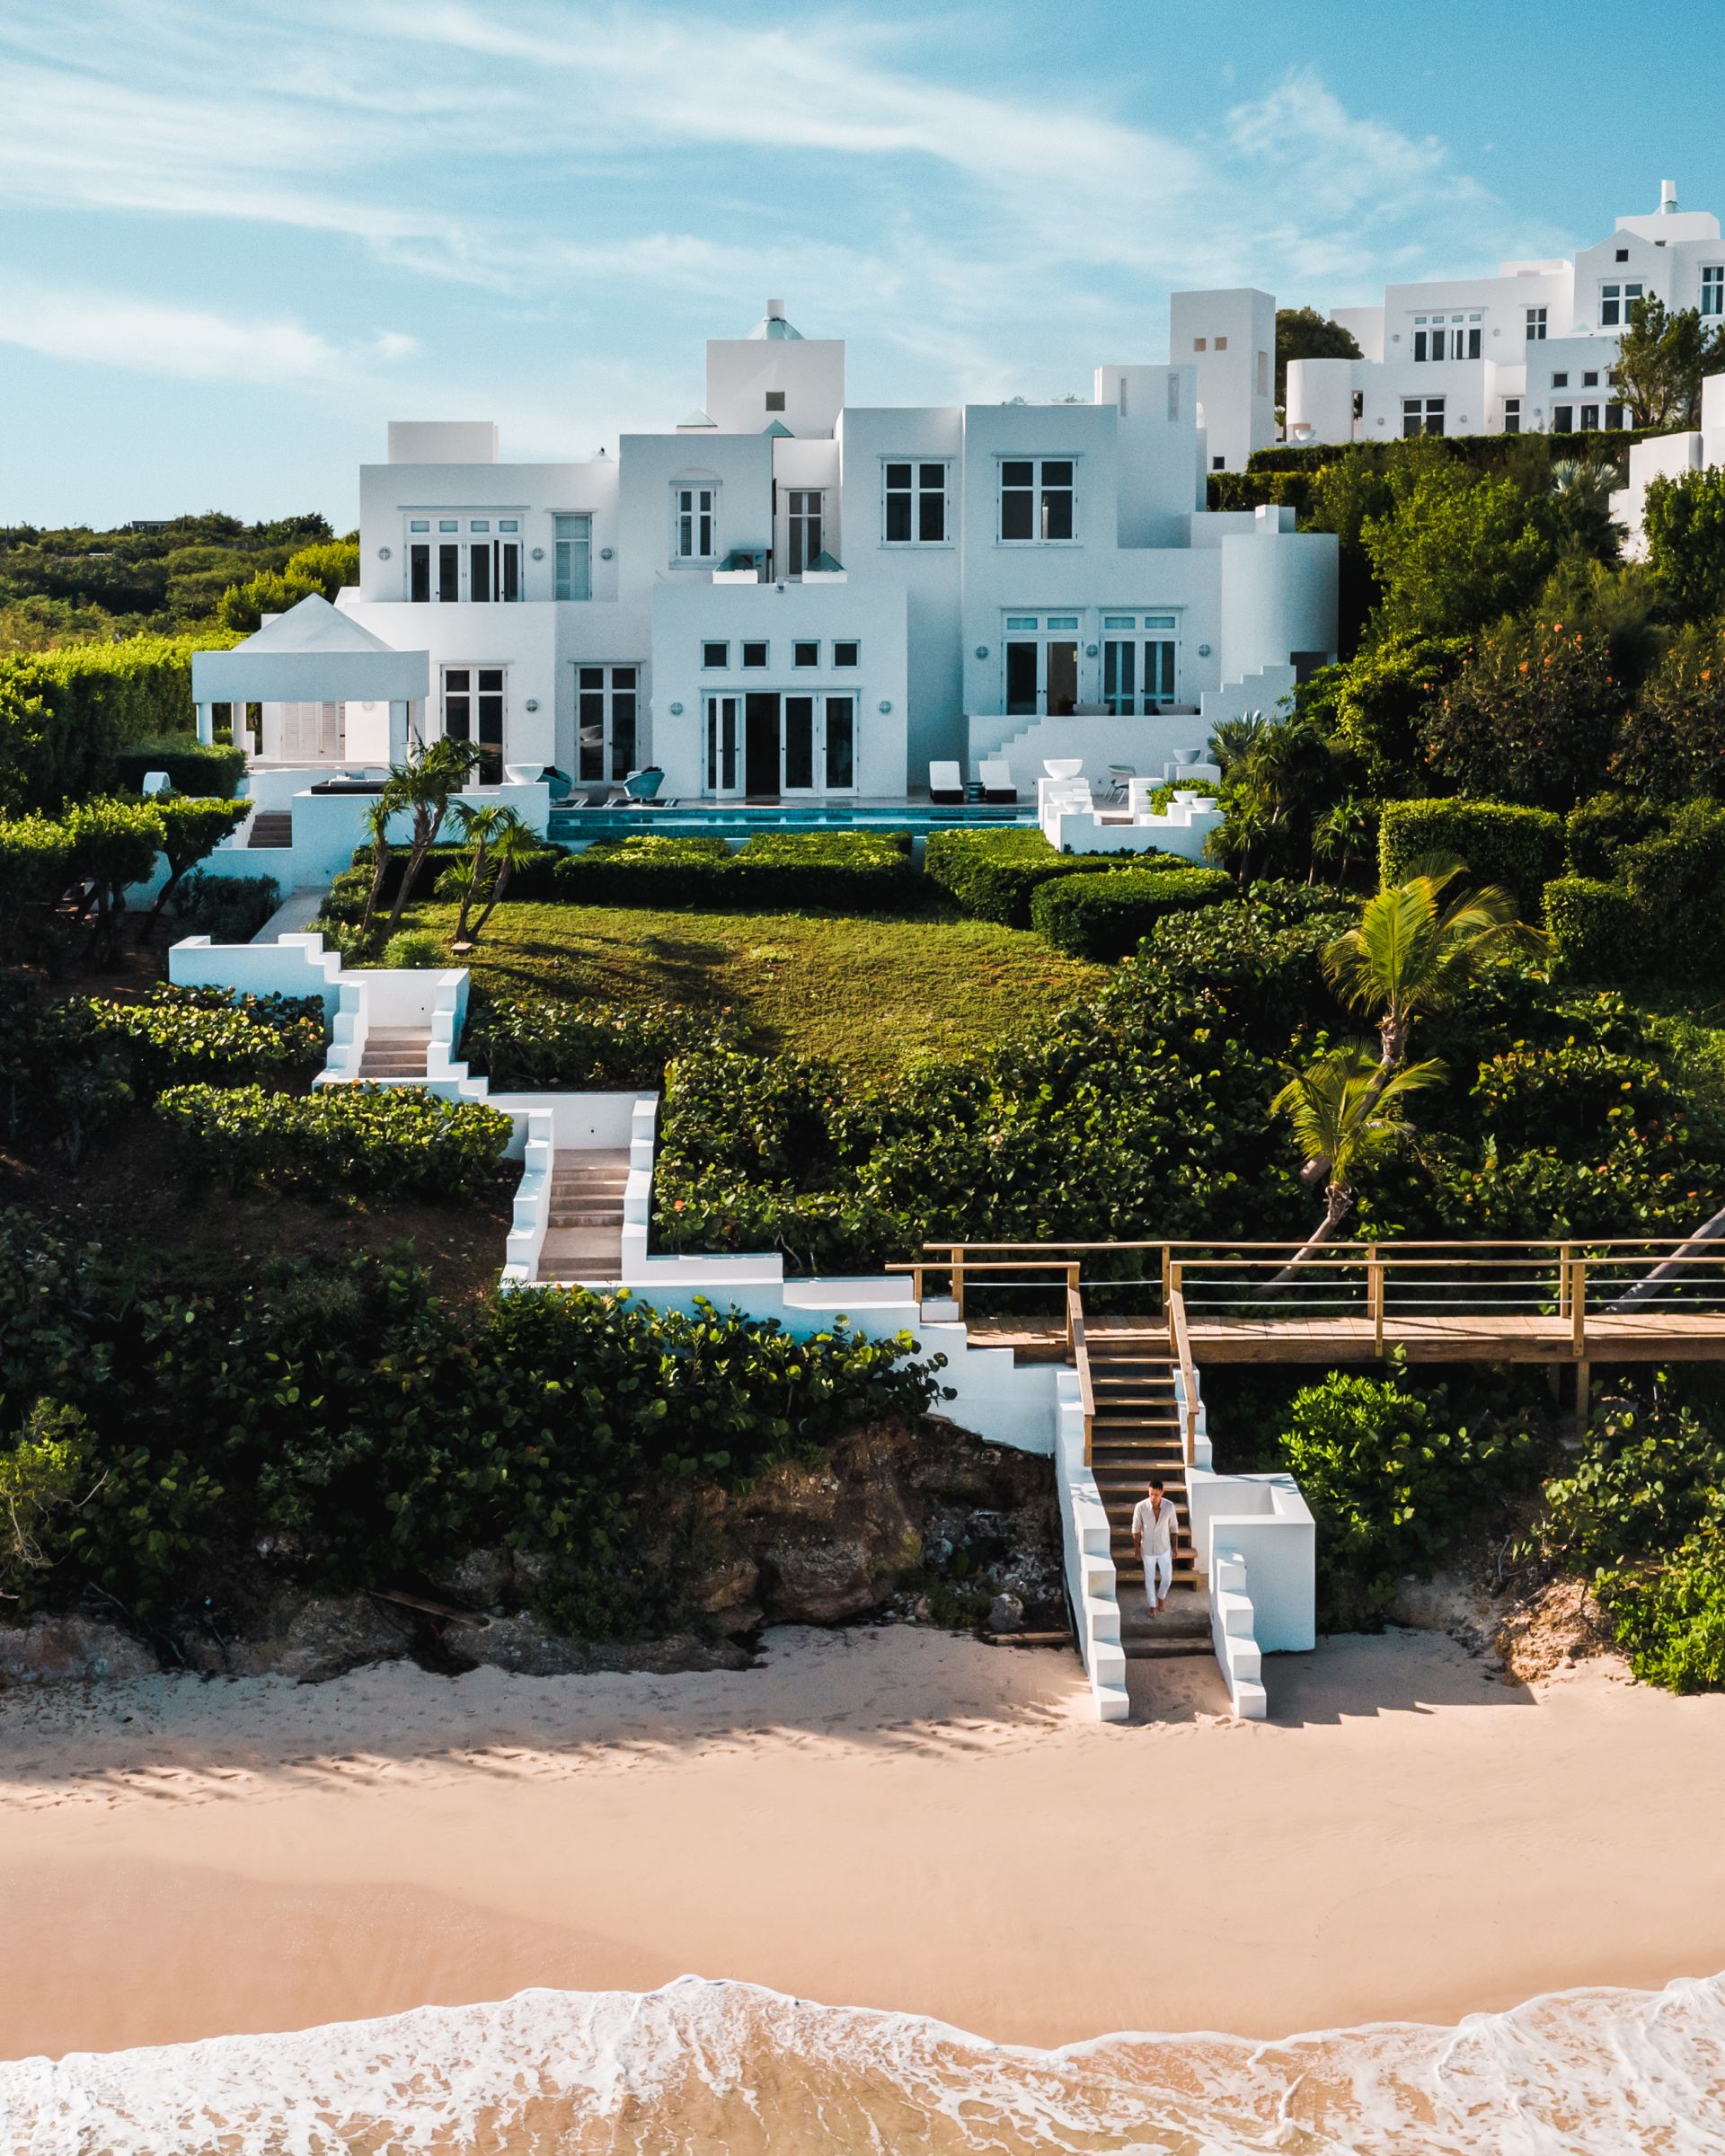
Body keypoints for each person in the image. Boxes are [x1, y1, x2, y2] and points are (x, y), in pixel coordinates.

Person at [1131, 1477, 1179, 1616]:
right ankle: (1152, 1606)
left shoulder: (1169, 1506)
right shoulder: (1140, 1507)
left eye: (1156, 1494)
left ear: (1162, 1493)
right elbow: (1135, 1529)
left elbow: (1174, 1527)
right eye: (1151, 1493)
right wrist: (1137, 1549)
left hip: (1164, 1548)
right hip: (1147, 1550)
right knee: (1149, 1578)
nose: (1153, 1497)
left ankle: (1161, 1597)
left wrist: (1175, 1547)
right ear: (1148, 1491)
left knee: (1167, 1577)